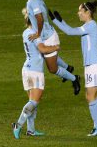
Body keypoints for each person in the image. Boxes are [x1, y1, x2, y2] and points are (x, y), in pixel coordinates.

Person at [4, 0, 80, 95]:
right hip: (46, 35)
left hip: (48, 37)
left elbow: (39, 18)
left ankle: (75, 78)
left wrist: (38, 33)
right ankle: (68, 67)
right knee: (45, 55)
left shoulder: (33, 2)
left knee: (52, 69)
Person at [49, 1, 97, 136]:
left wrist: (56, 20)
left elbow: (70, 32)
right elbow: (71, 30)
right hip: (92, 65)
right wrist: (60, 22)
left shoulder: (91, 26)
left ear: (87, 12)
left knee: (90, 97)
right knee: (93, 96)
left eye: (80, 11)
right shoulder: (89, 26)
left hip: (94, 65)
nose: (78, 13)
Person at [12, 10, 60, 139]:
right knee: (34, 101)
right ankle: (18, 125)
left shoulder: (26, 32)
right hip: (35, 71)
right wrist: (55, 47)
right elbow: (43, 49)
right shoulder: (35, 34)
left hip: (26, 69)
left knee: (32, 101)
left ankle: (31, 130)